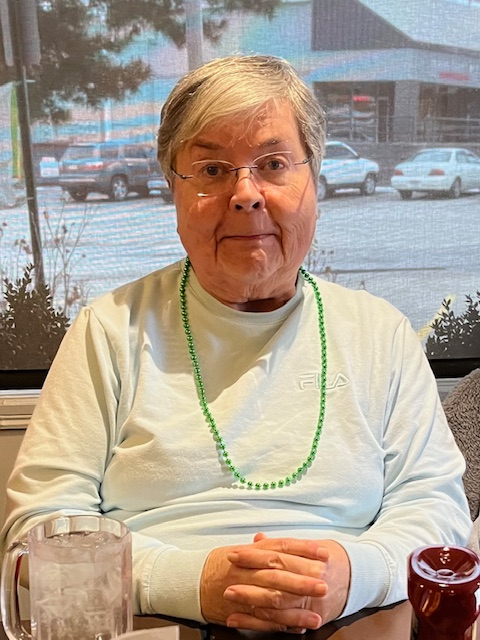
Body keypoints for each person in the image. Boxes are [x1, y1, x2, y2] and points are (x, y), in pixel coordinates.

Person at [0, 55, 472, 633]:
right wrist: (191, 583)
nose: (246, 194)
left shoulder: (381, 334)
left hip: (352, 621)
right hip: (157, 621)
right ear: (172, 190)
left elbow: (437, 509)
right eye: (212, 169)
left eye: (273, 164)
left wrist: (352, 574)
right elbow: (40, 528)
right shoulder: (109, 330)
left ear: (314, 178)